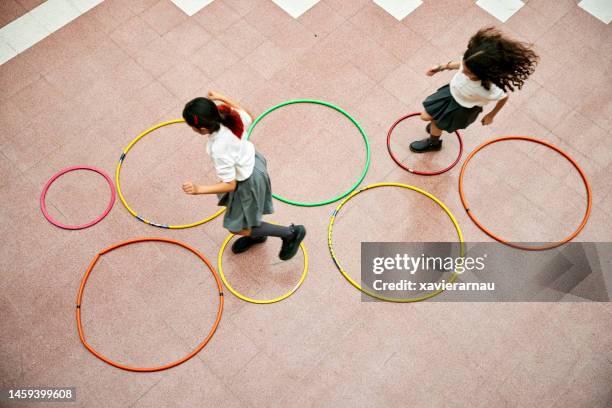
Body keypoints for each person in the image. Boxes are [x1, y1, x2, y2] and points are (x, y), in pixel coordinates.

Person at [181, 91, 306, 260]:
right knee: (244, 209)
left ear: (202, 129)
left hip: (247, 180)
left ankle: (290, 233)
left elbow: (230, 184)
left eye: (192, 127)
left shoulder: (219, 148)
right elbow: (250, 117)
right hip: (254, 163)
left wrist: (199, 189)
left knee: (236, 227)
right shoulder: (229, 116)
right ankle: (257, 235)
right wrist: (222, 97)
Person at [411, 27, 539, 153]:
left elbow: (504, 97)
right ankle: (437, 126)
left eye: (469, 73)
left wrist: (491, 115)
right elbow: (460, 64)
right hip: (449, 94)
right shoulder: (472, 61)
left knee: (436, 124)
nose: (464, 72)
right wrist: (441, 67)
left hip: (461, 108)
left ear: (485, 74)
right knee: (425, 117)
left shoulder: (491, 88)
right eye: (464, 69)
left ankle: (434, 143)